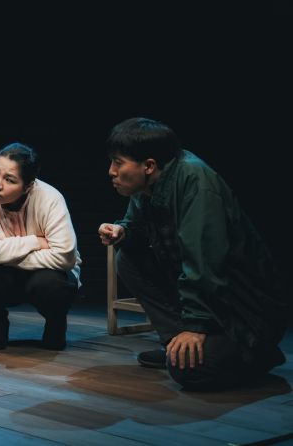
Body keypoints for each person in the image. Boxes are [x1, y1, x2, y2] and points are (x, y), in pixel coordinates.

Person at [99, 117, 287, 390]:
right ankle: (175, 344)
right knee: (128, 258)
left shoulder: (195, 181)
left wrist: (197, 325)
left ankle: (257, 352)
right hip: (213, 300)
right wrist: (122, 231)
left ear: (148, 165)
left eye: (118, 163)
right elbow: (137, 225)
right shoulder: (146, 187)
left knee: (188, 371)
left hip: (244, 309)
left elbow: (205, 261)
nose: (111, 171)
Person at [0, 143, 81, 351]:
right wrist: (35, 242)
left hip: (46, 275)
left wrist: (1, 255)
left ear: (28, 186)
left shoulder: (50, 199)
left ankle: (55, 329)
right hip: (5, 277)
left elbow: (65, 257)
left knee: (50, 283)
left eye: (9, 180)